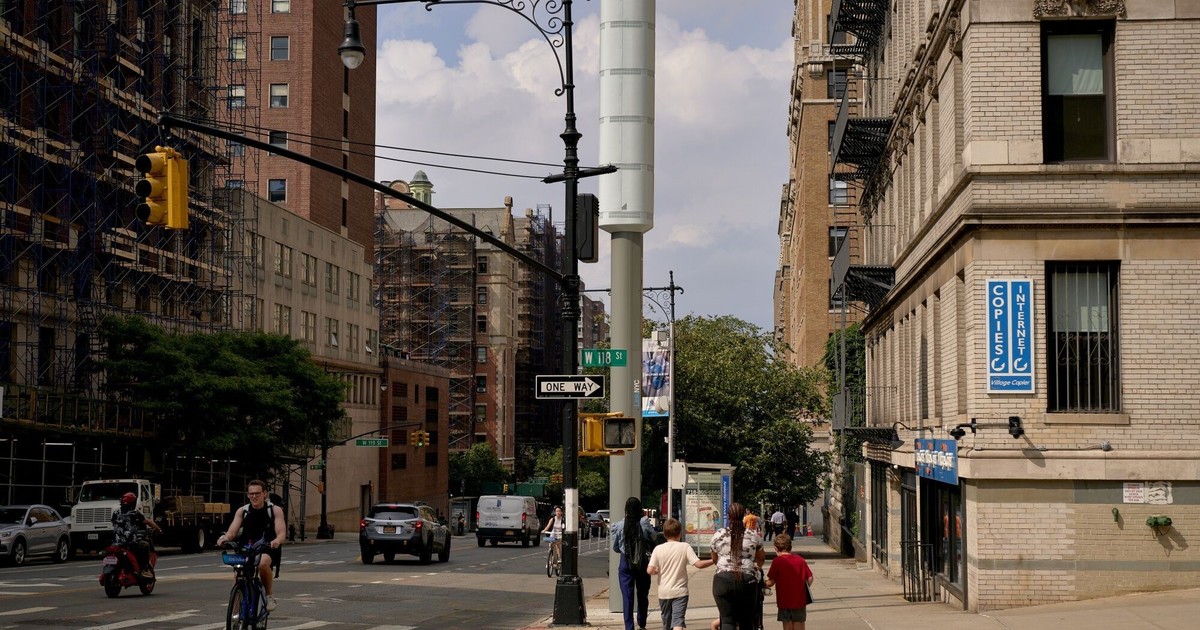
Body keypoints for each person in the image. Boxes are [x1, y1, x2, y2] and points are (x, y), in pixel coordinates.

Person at [217, 479, 287, 612]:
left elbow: (281, 533)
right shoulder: (243, 511)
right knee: (237, 575)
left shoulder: (274, 510)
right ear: (248, 495)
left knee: (262, 563)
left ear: (264, 494)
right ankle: (234, 613)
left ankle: (269, 595)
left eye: (257, 493)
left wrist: (277, 540)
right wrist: (225, 538)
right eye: (251, 494)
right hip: (246, 548)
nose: (254, 496)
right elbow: (232, 532)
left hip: (267, 547)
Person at [647, 517, 713, 630]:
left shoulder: (658, 549)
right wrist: (713, 560)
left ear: (664, 534)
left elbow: (650, 570)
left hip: (664, 592)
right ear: (680, 533)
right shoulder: (685, 547)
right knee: (678, 620)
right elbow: (698, 564)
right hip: (680, 592)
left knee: (667, 623)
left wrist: (659, 571)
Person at [710, 502, 765, 630]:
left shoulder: (719, 534)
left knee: (727, 620)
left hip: (722, 580)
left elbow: (714, 558)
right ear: (743, 516)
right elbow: (761, 558)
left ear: (728, 516)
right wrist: (757, 566)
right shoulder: (753, 535)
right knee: (746, 620)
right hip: (747, 579)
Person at [612, 497, 657, 630]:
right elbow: (654, 537)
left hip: (625, 562)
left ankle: (629, 626)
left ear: (626, 509)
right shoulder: (644, 523)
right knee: (643, 594)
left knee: (627, 596)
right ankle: (642, 623)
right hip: (642, 562)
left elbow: (615, 548)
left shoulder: (619, 525)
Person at [765, 534, 814, 630]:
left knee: (787, 623)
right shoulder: (800, 560)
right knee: (799, 622)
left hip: (784, 600)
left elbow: (771, 582)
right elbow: (810, 578)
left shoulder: (777, 561)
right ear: (790, 547)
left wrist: (762, 583)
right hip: (799, 600)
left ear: (776, 548)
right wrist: (802, 587)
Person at [111, 491, 162, 578]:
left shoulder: (115, 513)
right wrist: (158, 529)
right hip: (129, 543)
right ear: (133, 503)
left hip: (115, 542)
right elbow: (148, 522)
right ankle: (144, 569)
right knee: (145, 545)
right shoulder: (135, 514)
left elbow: (115, 524)